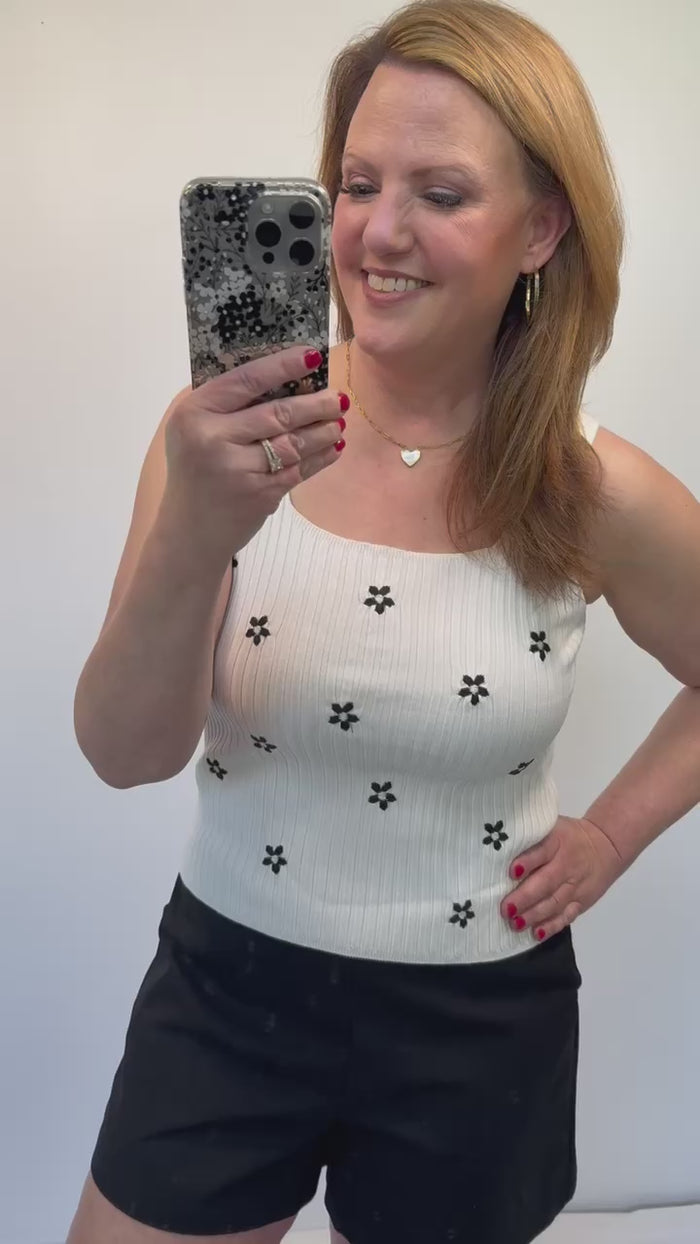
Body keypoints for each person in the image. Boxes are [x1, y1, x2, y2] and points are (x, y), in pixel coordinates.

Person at [67, 1, 700, 1242]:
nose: (377, 232)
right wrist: (198, 527)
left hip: (478, 1027)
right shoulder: (217, 446)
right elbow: (124, 753)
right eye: (356, 184)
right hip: (226, 991)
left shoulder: (593, 488)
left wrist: (611, 835)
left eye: (440, 192)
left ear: (542, 227)